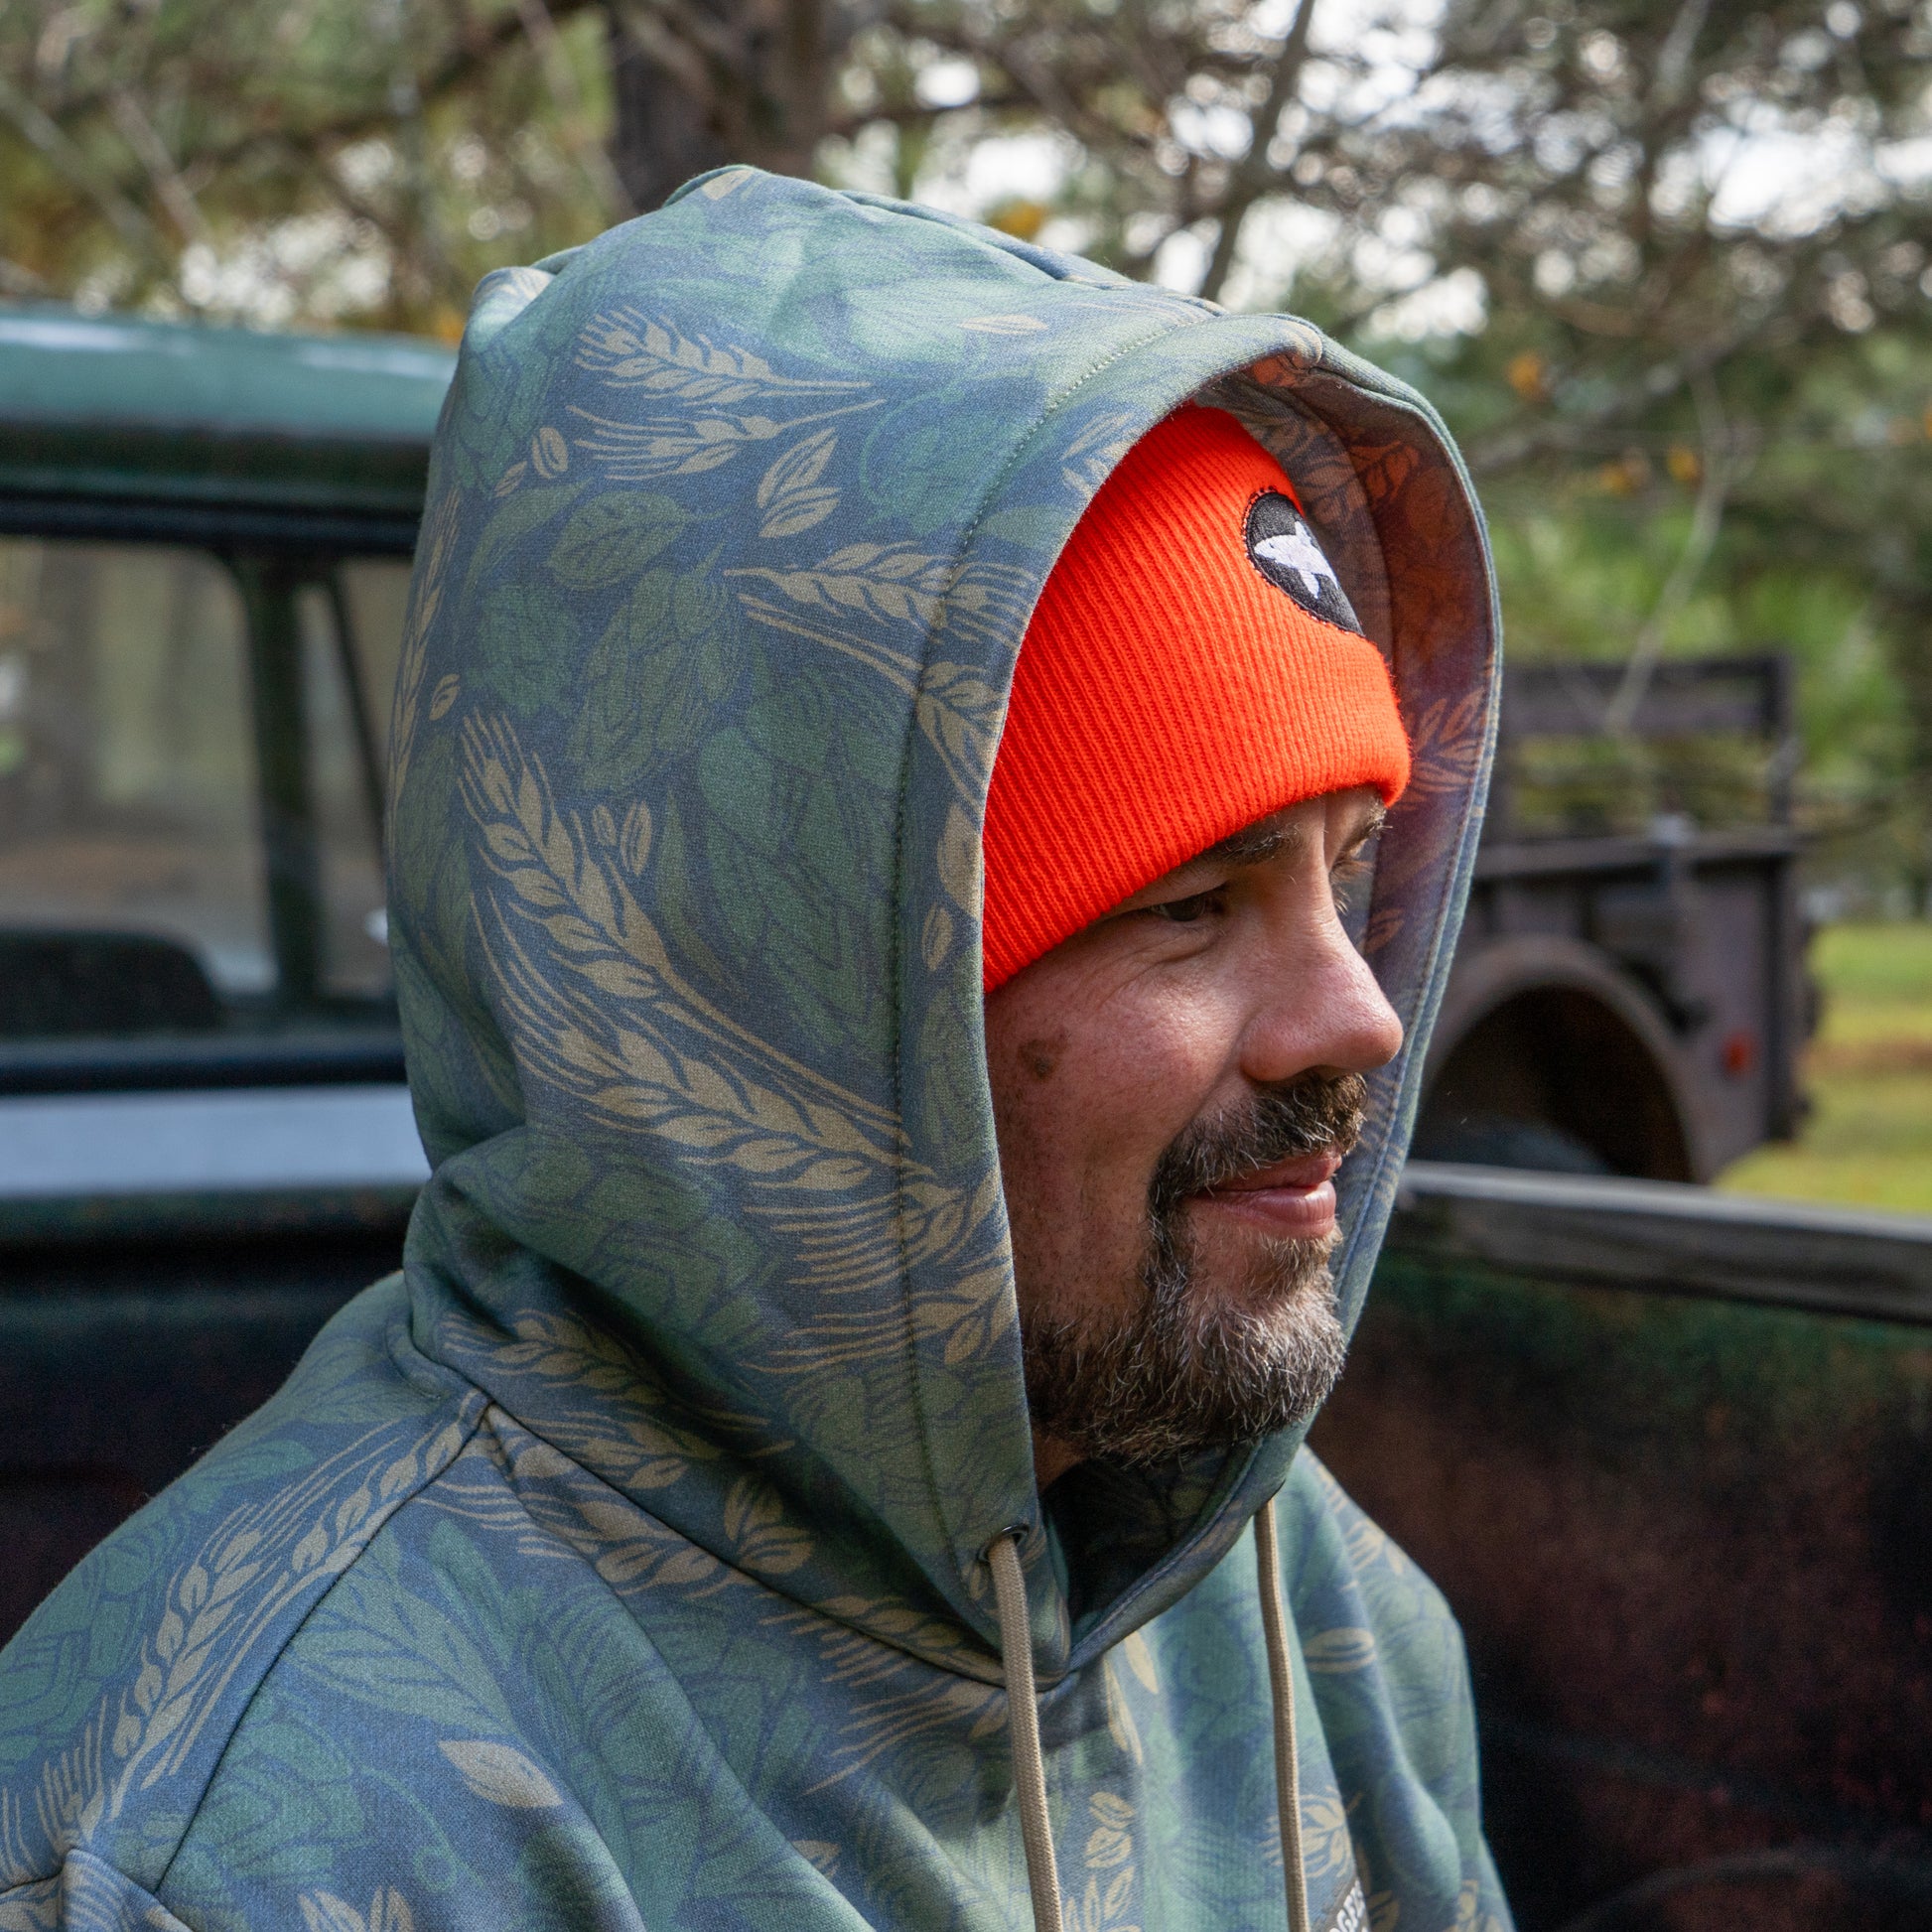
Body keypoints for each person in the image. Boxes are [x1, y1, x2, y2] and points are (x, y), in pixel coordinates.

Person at [0, 171, 1507, 1932]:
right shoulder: (252, 1850)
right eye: (1188, 903)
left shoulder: (1300, 1617)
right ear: (784, 997)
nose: (1363, 1013)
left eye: (1344, 876)